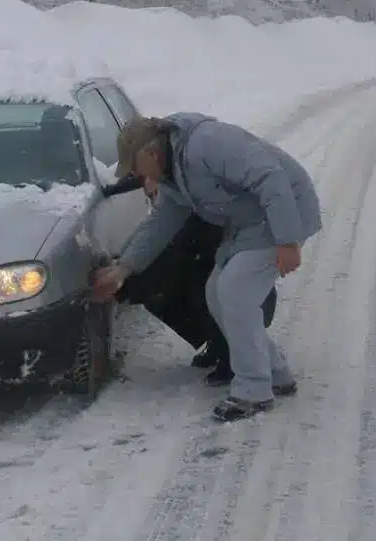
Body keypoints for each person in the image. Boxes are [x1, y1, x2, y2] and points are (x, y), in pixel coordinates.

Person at [91, 113, 322, 422]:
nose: (134, 174)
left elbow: (270, 177)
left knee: (235, 290)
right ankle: (274, 372)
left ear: (151, 153)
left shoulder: (207, 144)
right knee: (216, 293)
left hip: (284, 211)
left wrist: (288, 240)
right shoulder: (174, 175)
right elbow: (160, 222)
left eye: (134, 166)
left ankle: (253, 390)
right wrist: (124, 268)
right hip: (249, 224)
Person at [103, 172, 278, 386]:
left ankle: (232, 353)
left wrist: (122, 277)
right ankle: (216, 341)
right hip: (202, 253)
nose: (147, 189)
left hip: (233, 271)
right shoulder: (168, 175)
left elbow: (160, 240)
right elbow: (151, 228)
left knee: (195, 285)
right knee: (155, 282)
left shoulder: (192, 192)